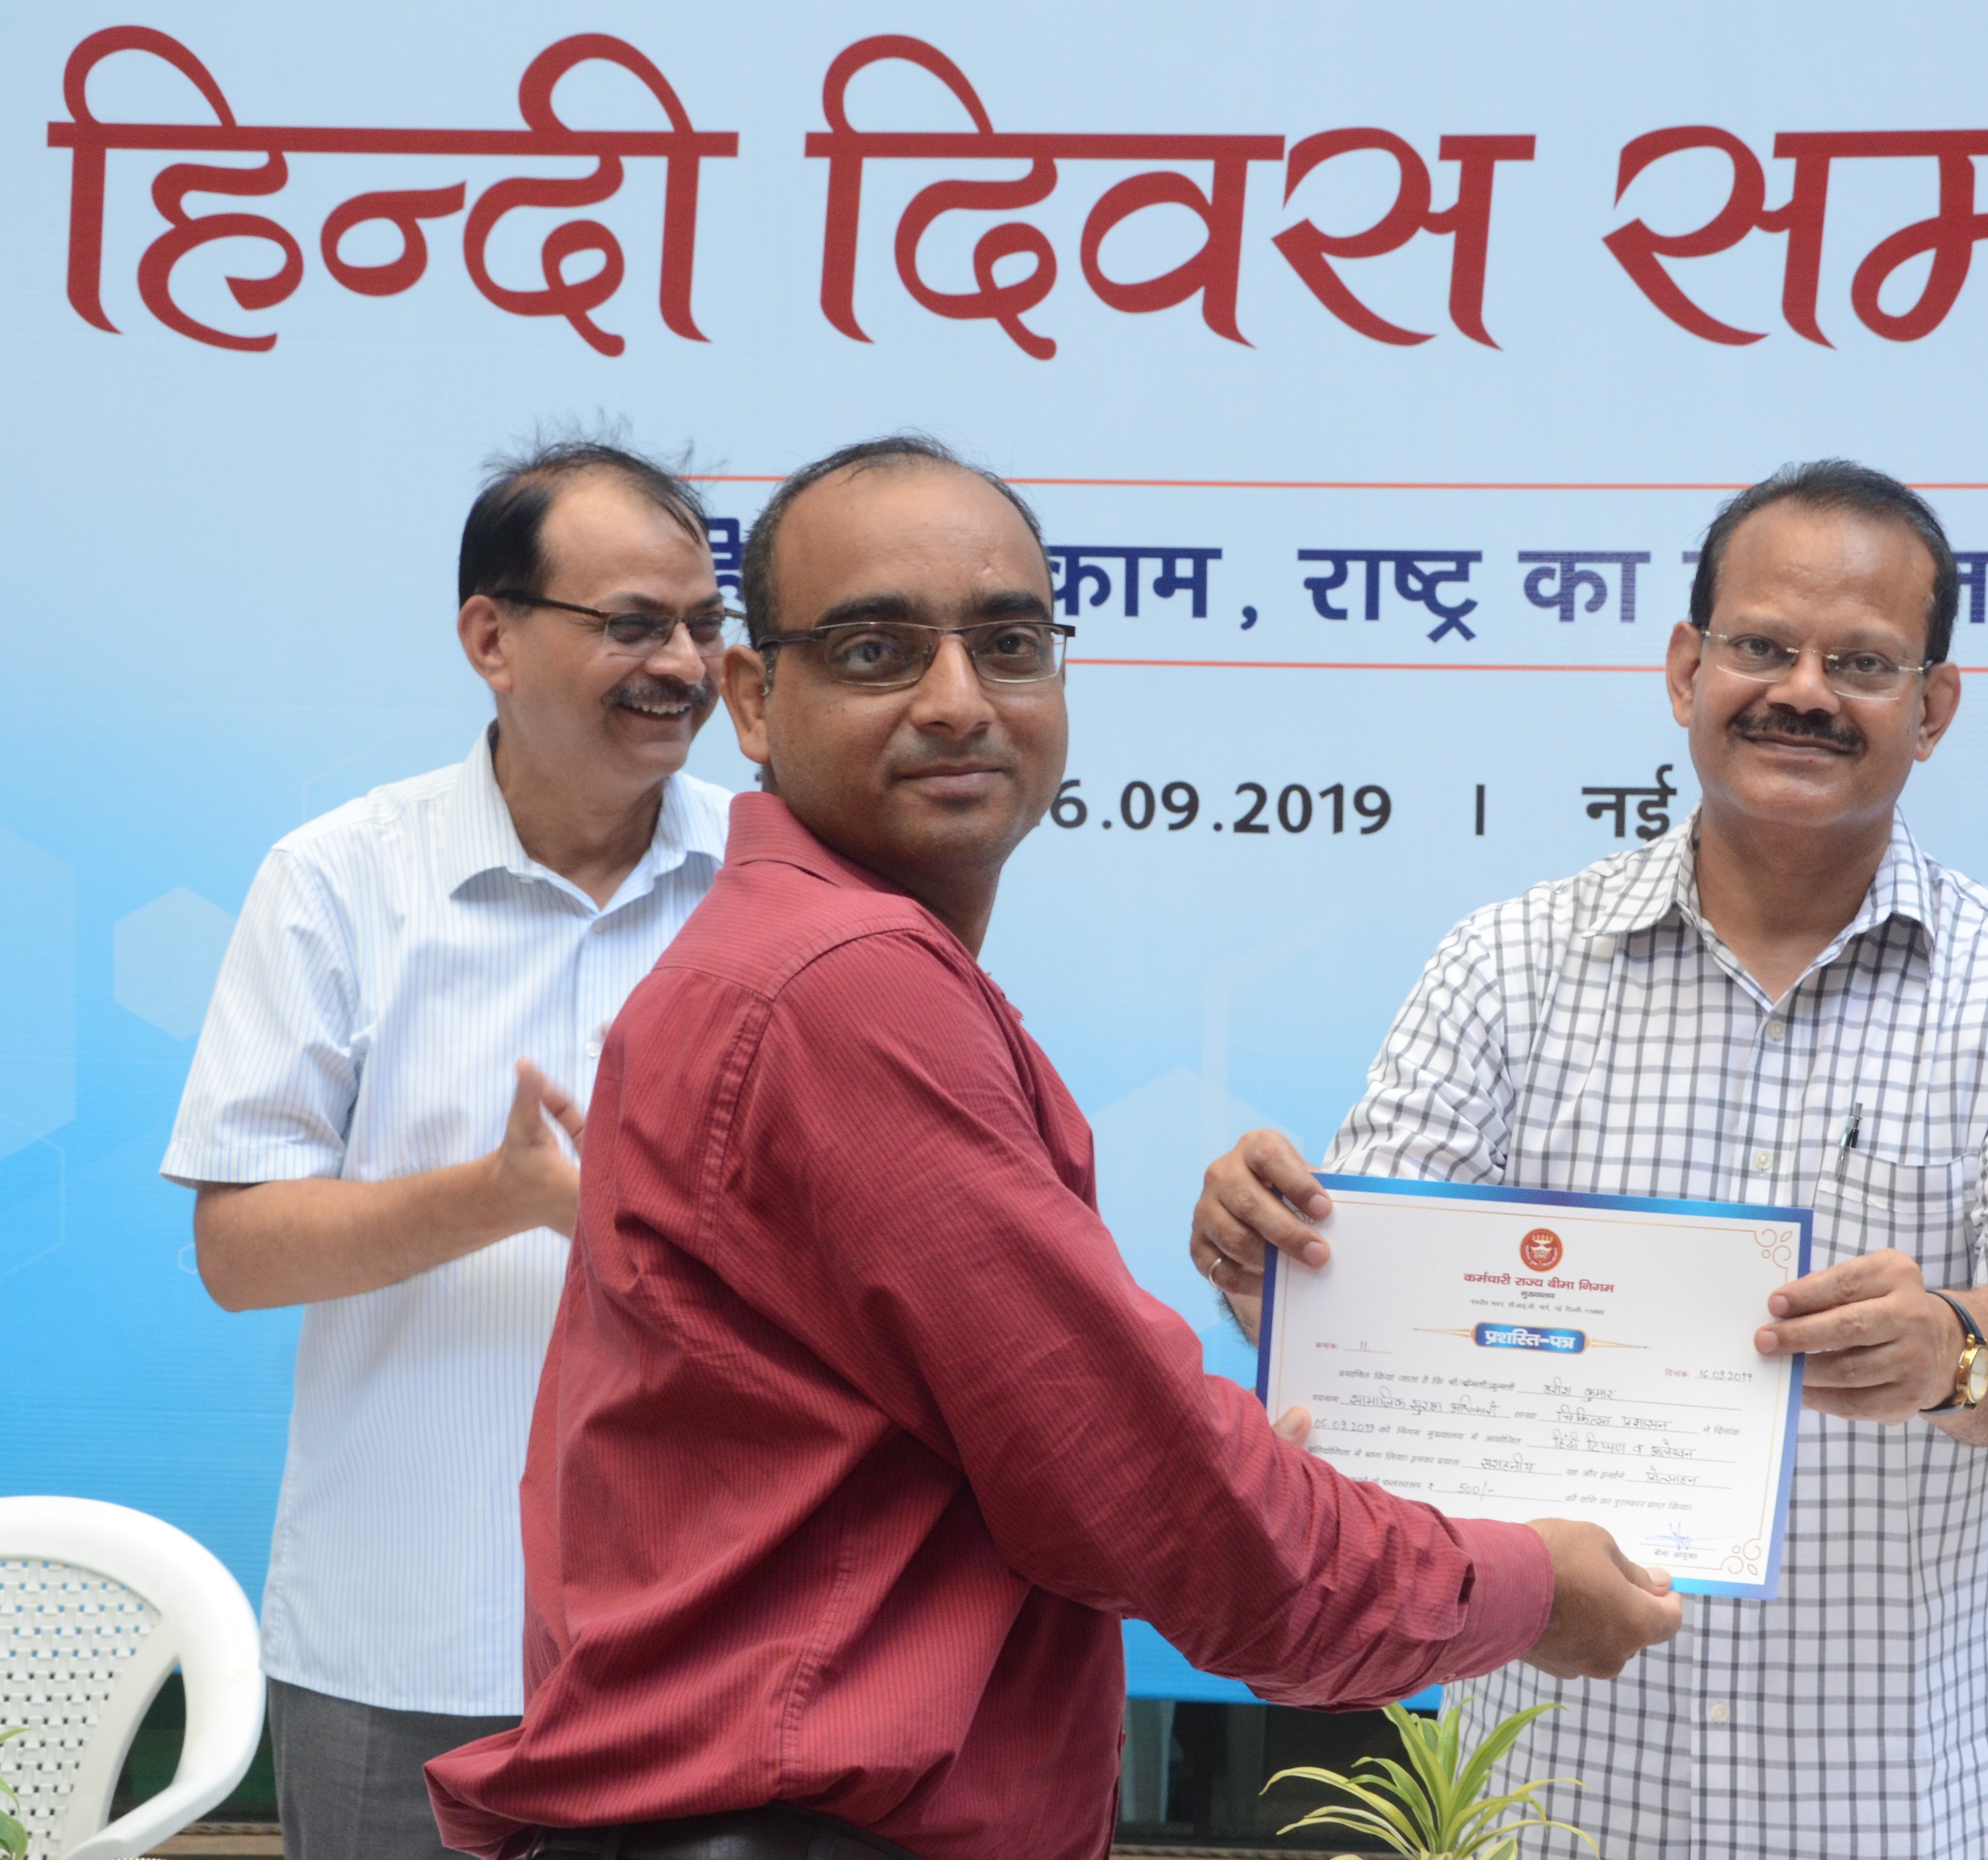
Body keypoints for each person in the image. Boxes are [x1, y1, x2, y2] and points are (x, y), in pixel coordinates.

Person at [423, 435, 1683, 1860]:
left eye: (1009, 645)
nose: (959, 701)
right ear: (755, 701)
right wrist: (1520, 1584)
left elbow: (1065, 1456)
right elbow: (1150, 1496)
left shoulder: (826, 960)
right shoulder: (844, 988)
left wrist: (1202, 1466)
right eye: (878, 651)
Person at [1194, 460, 1988, 1859]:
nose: (1802, 692)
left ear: (1932, 708)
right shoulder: (1507, 963)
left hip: (1882, 1810)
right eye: (1761, 647)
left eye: (1861, 663)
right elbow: (1367, 1317)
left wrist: (1949, 1346)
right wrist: (1268, 1265)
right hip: (1541, 1800)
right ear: (1686, 669)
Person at [165, 442, 737, 1860]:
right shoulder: (339, 881)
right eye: (632, 624)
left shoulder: (775, 882)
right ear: (492, 637)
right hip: (402, 1640)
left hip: (705, 1641)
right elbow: (238, 1251)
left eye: (702, 624)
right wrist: (501, 1197)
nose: (682, 665)